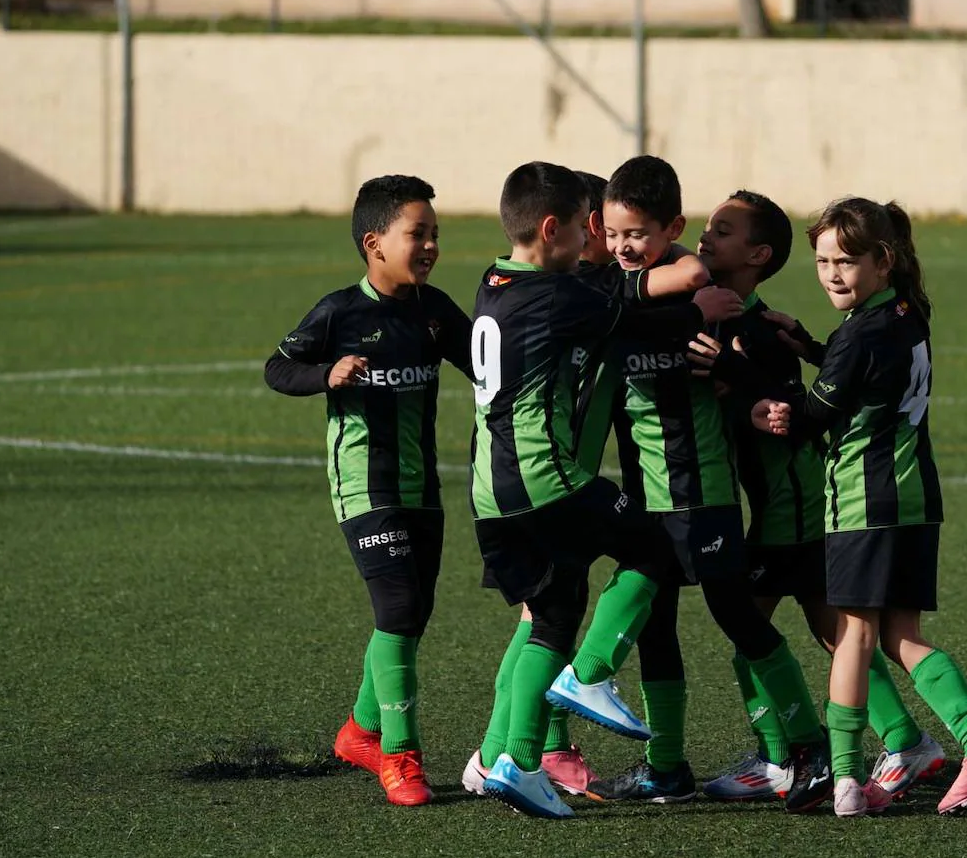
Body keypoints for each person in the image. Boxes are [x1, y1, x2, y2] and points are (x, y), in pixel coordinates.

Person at [556, 157, 834, 815]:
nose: (625, 247)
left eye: (639, 235)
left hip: (699, 489)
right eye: (616, 234)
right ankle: (666, 765)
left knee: (737, 616)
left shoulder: (707, 302)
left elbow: (747, 375)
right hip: (648, 489)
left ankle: (809, 746)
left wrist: (760, 401)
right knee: (656, 625)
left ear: (669, 230)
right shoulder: (625, 293)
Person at [470, 160, 740, 819]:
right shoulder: (563, 295)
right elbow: (642, 311)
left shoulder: (495, 277)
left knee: (550, 617)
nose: (601, 239)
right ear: (557, 229)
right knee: (655, 549)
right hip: (546, 479)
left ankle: (509, 761)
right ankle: (591, 677)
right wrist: (698, 307)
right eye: (592, 225)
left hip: (488, 490)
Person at [750, 196, 967, 817]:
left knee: (854, 634)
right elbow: (862, 370)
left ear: (883, 260)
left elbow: (812, 418)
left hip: (863, 501)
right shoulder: (907, 310)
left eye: (845, 261)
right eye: (822, 261)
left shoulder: (860, 334)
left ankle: (845, 778)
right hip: (914, 496)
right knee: (902, 634)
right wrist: (813, 347)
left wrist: (753, 398)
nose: (831, 274)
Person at [685, 190, 945, 803]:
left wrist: (735, 371)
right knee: (837, 635)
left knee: (760, 631)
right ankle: (901, 740)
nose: (704, 236)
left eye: (721, 230)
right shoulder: (736, 323)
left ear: (756, 255)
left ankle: (790, 757)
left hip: (797, 505)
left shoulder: (754, 332)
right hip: (792, 502)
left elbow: (798, 413)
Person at [262, 175, 474, 807]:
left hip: (422, 486)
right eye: (419, 233)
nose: (432, 244)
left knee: (413, 617)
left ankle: (358, 731)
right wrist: (326, 373)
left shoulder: (435, 310)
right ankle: (400, 759)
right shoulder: (338, 312)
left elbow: (487, 363)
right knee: (399, 609)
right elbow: (278, 367)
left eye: (436, 232)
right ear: (373, 242)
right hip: (363, 485)